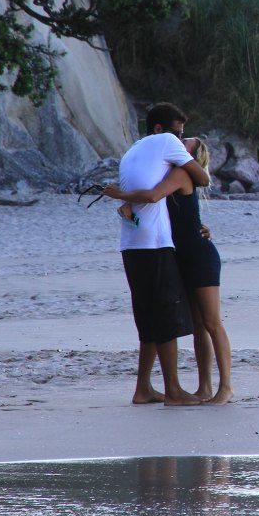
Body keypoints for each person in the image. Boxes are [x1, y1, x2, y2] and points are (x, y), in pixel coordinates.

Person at [105, 136, 234, 405]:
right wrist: (128, 211)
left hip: (199, 256)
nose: (180, 140)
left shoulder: (179, 172)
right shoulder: (164, 173)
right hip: (178, 257)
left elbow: (152, 197)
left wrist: (119, 194)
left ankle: (226, 388)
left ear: (192, 155)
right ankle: (204, 388)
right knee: (198, 326)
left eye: (187, 141)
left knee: (211, 322)